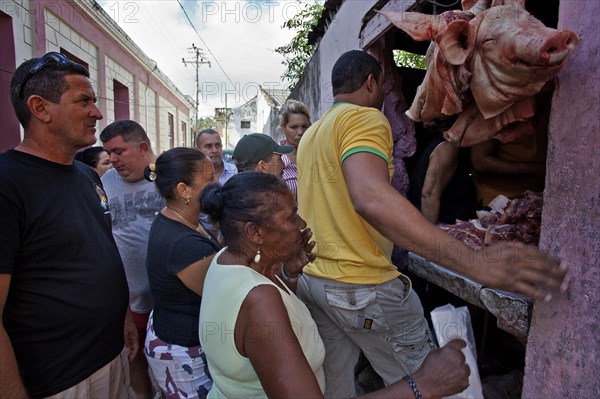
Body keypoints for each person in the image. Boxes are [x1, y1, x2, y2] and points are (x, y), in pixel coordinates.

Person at [296, 50, 567, 397]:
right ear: (371, 82)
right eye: (382, 86)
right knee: (430, 385)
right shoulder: (364, 119)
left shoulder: (312, 135)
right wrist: (476, 262)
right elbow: (369, 197)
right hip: (362, 287)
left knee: (335, 388)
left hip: (317, 282)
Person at [199, 172, 471, 398]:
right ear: (254, 232)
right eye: (292, 217)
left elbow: (261, 332)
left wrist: (290, 275)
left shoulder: (226, 260)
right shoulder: (259, 300)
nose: (302, 224)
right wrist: (422, 384)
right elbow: (261, 316)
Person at [0, 52, 136, 398]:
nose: (98, 112)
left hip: (111, 356)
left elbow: (100, 251)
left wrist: (121, 316)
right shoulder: (7, 184)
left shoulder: (86, 174)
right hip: (60, 380)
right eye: (84, 101)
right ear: (40, 108)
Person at [144, 147, 220, 399]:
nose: (216, 183)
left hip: (174, 334)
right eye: (209, 179)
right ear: (183, 190)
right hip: (183, 351)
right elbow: (221, 296)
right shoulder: (183, 244)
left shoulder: (179, 218)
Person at [100, 119, 164, 399]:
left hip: (168, 297)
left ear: (142, 147)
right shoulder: (105, 182)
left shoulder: (168, 177)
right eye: (108, 153)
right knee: (134, 356)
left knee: (170, 360)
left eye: (119, 152)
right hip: (129, 301)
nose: (112, 160)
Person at [408, 133, 477, 224]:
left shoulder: (445, 145)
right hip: (441, 223)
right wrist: (429, 234)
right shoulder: (447, 148)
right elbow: (429, 194)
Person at [278, 99, 312, 199]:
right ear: (283, 128)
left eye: (305, 126)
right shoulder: (276, 160)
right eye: (294, 127)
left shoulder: (318, 156)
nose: (300, 132)